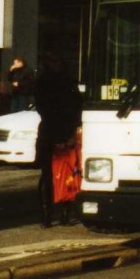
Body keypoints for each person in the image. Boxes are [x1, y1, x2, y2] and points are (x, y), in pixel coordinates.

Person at [34, 54, 82, 227]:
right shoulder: (60, 82)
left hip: (56, 131)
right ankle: (52, 215)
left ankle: (60, 215)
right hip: (54, 131)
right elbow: (74, 108)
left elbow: (76, 108)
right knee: (51, 175)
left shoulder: (53, 82)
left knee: (63, 174)